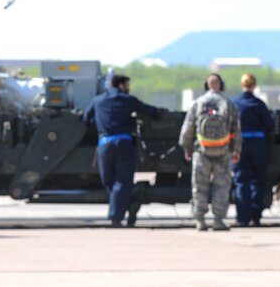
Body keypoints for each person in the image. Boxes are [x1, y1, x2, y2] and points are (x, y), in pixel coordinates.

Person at [82, 75, 163, 227]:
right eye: (127, 85)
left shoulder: (98, 101)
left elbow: (86, 118)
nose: (129, 88)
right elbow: (149, 110)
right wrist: (160, 113)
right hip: (124, 144)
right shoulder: (128, 100)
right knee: (122, 181)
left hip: (105, 144)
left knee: (108, 180)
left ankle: (119, 213)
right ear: (120, 85)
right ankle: (124, 209)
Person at [179, 73, 242, 231]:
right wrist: (236, 150)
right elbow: (236, 130)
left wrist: (186, 147)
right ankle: (218, 220)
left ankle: (200, 220)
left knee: (199, 186)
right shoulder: (228, 104)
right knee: (222, 186)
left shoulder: (197, 103)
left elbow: (187, 129)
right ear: (221, 85)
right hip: (223, 152)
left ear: (206, 86)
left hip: (202, 152)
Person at [232, 73, 273, 226]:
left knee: (241, 180)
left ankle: (243, 218)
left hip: (239, 144)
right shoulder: (259, 104)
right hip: (257, 145)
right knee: (258, 180)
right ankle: (256, 216)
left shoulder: (234, 103)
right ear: (254, 85)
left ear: (242, 85)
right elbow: (269, 125)